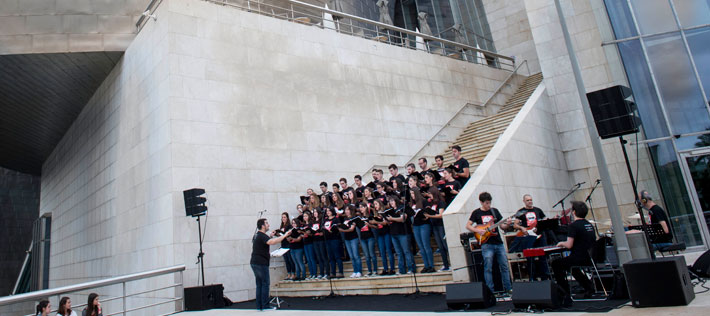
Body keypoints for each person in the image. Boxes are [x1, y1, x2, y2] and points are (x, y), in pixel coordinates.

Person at [466, 192, 512, 295]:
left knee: (504, 265)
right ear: (481, 202)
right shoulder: (476, 213)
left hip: (498, 242)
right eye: (486, 203)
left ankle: (508, 288)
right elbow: (468, 226)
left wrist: (507, 224)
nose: (488, 205)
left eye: (489, 203)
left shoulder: (494, 211)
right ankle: (490, 291)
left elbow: (502, 226)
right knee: (488, 267)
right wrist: (478, 231)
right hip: (486, 243)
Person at [551, 201, 596, 298]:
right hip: (592, 257)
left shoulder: (573, 226)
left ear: (574, 212)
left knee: (556, 263)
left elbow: (569, 245)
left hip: (580, 258)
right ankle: (588, 286)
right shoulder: (589, 224)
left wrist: (561, 243)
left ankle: (564, 292)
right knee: (568, 265)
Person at [251, 218, 292, 311]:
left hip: (255, 262)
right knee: (265, 283)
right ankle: (265, 306)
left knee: (259, 284)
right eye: (266, 223)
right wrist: (285, 235)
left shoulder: (258, 235)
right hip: (261, 263)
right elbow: (272, 242)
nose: (268, 225)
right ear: (262, 226)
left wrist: (270, 235)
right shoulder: (262, 235)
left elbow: (266, 240)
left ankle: (259, 306)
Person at [510, 194, 549, 280]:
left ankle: (545, 277)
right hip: (528, 237)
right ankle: (532, 277)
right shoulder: (521, 212)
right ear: (524, 201)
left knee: (543, 256)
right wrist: (521, 228)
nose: (530, 201)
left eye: (531, 200)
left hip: (539, 236)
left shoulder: (538, 210)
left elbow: (545, 221)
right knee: (530, 258)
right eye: (528, 200)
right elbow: (515, 225)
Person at [422, 171, 450, 271]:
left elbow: (440, 215)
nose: (429, 195)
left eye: (430, 194)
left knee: (445, 245)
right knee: (440, 247)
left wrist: (430, 215)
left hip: (440, 225)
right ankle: (446, 265)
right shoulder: (432, 203)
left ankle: (450, 264)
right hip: (434, 225)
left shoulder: (441, 202)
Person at [386, 196, 416, 274]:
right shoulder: (390, 211)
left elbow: (403, 218)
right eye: (390, 201)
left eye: (392, 200)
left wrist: (392, 219)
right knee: (398, 252)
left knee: (406, 251)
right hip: (393, 233)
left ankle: (411, 268)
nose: (391, 202)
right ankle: (401, 269)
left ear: (396, 200)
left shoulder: (402, 208)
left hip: (403, 232)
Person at [409, 187, 435, 273]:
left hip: (424, 224)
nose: (412, 195)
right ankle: (426, 265)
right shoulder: (412, 204)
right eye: (411, 194)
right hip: (416, 225)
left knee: (426, 245)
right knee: (421, 246)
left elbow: (428, 212)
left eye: (413, 193)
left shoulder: (423, 201)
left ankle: (431, 265)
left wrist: (423, 214)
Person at [371, 198, 395, 275]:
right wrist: (371, 224)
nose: (375, 206)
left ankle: (392, 268)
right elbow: (377, 226)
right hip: (380, 234)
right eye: (374, 204)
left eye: (376, 204)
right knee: (382, 252)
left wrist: (376, 221)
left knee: (388, 250)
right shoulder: (375, 214)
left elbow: (385, 223)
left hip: (386, 232)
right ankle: (385, 268)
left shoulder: (384, 212)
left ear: (380, 204)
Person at [341, 205, 363, 278]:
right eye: (345, 210)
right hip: (347, 238)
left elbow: (352, 229)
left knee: (356, 255)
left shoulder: (354, 218)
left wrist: (342, 230)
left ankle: (359, 271)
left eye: (348, 210)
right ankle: (355, 271)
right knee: (351, 256)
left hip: (353, 237)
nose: (346, 211)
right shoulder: (345, 218)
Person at [323, 208, 344, 278]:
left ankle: (341, 272)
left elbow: (338, 228)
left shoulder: (336, 219)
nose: (328, 212)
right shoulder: (325, 220)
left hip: (335, 239)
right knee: (331, 257)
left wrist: (333, 230)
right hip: (328, 239)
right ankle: (333, 272)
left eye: (329, 211)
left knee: (337, 256)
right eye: (327, 211)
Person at [358, 202, 378, 276]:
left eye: (362, 207)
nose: (361, 209)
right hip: (363, 237)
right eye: (360, 207)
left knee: (372, 254)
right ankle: (369, 270)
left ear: (366, 207)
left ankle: (375, 270)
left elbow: (376, 227)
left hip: (370, 236)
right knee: (366, 255)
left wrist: (369, 225)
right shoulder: (359, 217)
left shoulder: (370, 216)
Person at [311, 209, 330, 279]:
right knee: (319, 257)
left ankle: (327, 272)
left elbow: (324, 229)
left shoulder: (322, 221)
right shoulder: (313, 221)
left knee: (324, 256)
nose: (315, 213)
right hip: (315, 240)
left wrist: (322, 232)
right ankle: (321, 273)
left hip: (321, 240)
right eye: (314, 212)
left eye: (316, 212)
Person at [279, 212, 295, 281]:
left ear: (287, 218)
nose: (283, 219)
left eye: (284, 217)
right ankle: (288, 273)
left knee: (290, 259)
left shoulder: (289, 226)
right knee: (286, 260)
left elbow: (289, 234)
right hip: (283, 244)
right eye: (282, 217)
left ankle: (293, 273)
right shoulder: (282, 226)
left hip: (288, 244)